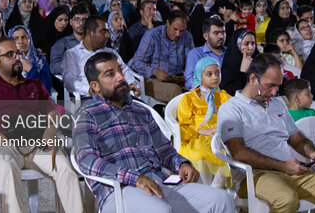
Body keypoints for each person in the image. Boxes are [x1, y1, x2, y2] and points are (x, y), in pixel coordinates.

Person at [74, 51, 235, 212]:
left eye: (120, 70)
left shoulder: (140, 111)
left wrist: (182, 164)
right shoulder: (87, 114)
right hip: (119, 191)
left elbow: (164, 149)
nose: (120, 77)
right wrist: (135, 178)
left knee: (221, 199)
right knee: (161, 210)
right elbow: (86, 160)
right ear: (95, 86)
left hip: (158, 183)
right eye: (110, 74)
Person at [217, 53, 315, 213]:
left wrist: (311, 152)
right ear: (253, 79)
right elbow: (239, 153)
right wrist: (282, 166)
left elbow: (296, 138)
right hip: (254, 176)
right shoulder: (231, 109)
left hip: (290, 169)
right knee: (286, 200)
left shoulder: (276, 104)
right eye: (270, 85)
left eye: (278, 86)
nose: (275, 92)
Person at [0, 37, 83, 213]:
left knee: (65, 169)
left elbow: (52, 112)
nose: (17, 57)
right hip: (2, 143)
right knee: (5, 168)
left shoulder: (34, 85)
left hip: (36, 142)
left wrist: (50, 131)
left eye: (17, 53)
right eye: (9, 55)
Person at [178, 57, 232, 187]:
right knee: (200, 152)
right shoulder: (188, 99)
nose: (215, 77)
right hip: (198, 137)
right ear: (199, 76)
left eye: (218, 73)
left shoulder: (224, 97)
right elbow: (185, 127)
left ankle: (215, 190)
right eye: (209, 74)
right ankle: (211, 190)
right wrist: (206, 131)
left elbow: (233, 117)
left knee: (227, 153)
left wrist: (221, 132)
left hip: (221, 136)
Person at [61, 16, 140, 100]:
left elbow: (125, 71)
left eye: (108, 32)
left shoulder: (110, 52)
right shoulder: (72, 55)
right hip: (91, 98)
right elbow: (69, 81)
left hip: (117, 95)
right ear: (90, 33)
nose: (108, 36)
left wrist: (131, 83)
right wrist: (89, 90)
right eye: (103, 32)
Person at [132, 10, 193, 102]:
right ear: (167, 23)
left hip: (176, 78)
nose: (178, 34)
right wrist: (154, 72)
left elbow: (192, 61)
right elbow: (137, 62)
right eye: (175, 29)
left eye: (181, 31)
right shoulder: (152, 35)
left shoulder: (187, 36)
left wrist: (186, 74)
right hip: (151, 80)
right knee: (175, 90)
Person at [185, 16, 227, 89]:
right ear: (205, 36)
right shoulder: (196, 54)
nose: (221, 36)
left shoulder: (231, 52)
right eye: (216, 33)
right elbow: (189, 80)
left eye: (223, 32)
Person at [7, 25, 52, 93]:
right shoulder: (4, 58)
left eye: (24, 37)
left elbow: (46, 87)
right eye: (16, 38)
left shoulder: (40, 59)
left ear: (29, 39)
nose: (20, 41)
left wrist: (31, 69)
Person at [49, 4, 89, 75]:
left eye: (84, 20)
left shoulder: (94, 42)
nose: (81, 23)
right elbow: (54, 67)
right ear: (71, 22)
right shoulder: (62, 43)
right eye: (77, 20)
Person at [220, 28, 257, 96]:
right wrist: (242, 72)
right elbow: (229, 93)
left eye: (253, 43)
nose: (251, 47)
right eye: (246, 44)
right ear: (237, 45)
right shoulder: (229, 65)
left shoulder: (259, 60)